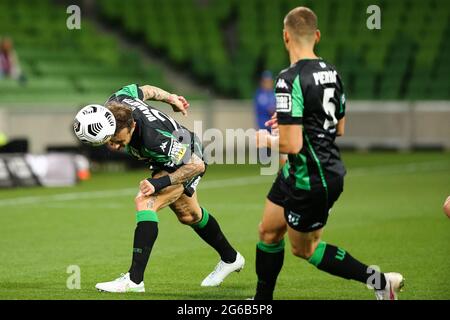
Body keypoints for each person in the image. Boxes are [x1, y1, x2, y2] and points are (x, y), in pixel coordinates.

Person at [254, 7, 404, 300]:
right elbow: (339, 128)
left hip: (312, 177)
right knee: (268, 231)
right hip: (305, 169)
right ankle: (262, 302)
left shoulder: (288, 78)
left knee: (304, 249)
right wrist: (290, 122)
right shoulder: (332, 73)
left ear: (285, 36)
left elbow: (292, 145)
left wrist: (268, 139)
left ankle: (379, 282)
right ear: (317, 36)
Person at [94, 84, 245, 292]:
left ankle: (134, 280)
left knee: (145, 201)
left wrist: (159, 183)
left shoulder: (153, 139)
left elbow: (195, 165)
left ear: (132, 127)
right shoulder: (117, 102)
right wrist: (171, 98)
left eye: (119, 141)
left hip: (188, 156)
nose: (115, 146)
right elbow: (146, 90)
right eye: (111, 140)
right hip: (165, 158)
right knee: (189, 215)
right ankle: (231, 258)